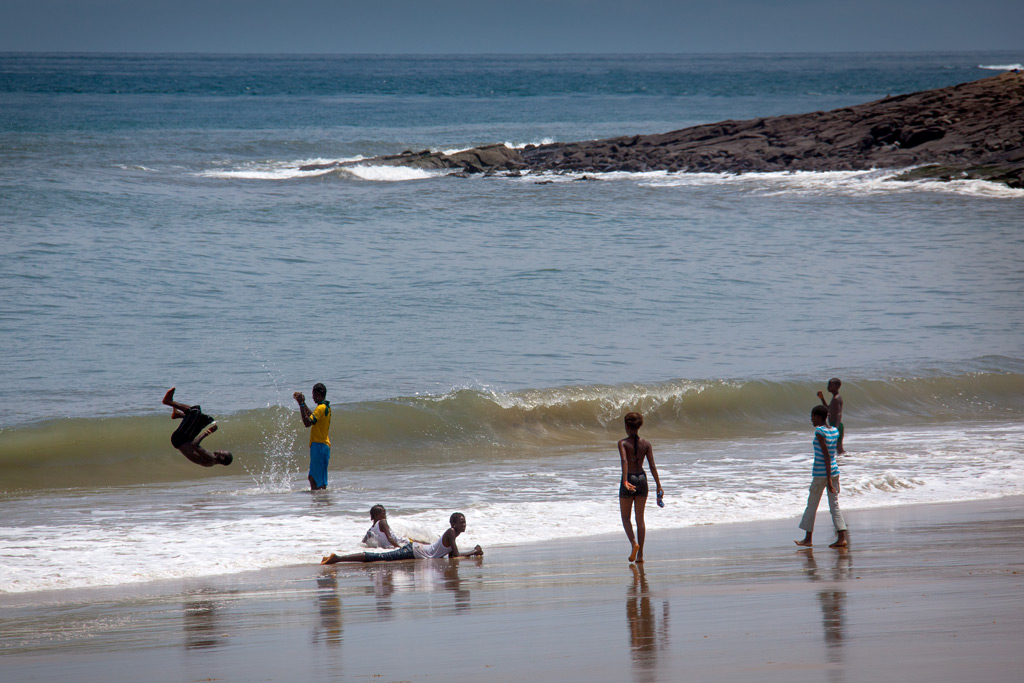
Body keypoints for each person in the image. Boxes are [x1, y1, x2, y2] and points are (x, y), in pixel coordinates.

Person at [321, 512, 483, 564]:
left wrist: (472, 553)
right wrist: (474, 552)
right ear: (452, 523)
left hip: (416, 550)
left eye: (465, 522)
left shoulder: (452, 534)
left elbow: (449, 555)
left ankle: (338, 558)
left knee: (380, 558)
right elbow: (455, 556)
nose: (464, 525)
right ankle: (338, 558)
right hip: (414, 551)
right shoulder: (451, 532)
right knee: (379, 558)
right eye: (460, 522)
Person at [795, 405, 849, 549]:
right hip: (834, 471)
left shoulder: (819, 432)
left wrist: (829, 480)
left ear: (818, 417)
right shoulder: (834, 431)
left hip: (822, 474)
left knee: (812, 505)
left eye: (812, 417)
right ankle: (842, 537)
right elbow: (831, 454)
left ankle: (808, 539)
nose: (811, 420)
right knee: (835, 506)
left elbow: (825, 456)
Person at [618, 411, 663, 563]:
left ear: (626, 426)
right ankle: (641, 555)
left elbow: (624, 461)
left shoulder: (623, 443)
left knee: (625, 517)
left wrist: (625, 481)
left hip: (629, 478)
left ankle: (633, 543)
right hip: (642, 479)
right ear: (639, 426)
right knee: (640, 520)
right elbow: (652, 465)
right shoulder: (646, 444)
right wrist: (658, 485)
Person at [162, 387, 232, 467]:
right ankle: (178, 415)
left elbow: (195, 444)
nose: (221, 450)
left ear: (222, 457)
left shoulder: (211, 459)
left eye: (222, 451)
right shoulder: (211, 461)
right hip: (185, 440)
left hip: (180, 439)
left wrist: (208, 432)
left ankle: (168, 401)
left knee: (195, 411)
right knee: (205, 419)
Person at [294, 383, 331, 490]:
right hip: (319, 446)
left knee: (318, 481)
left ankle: (322, 503)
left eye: (313, 394)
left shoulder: (321, 408)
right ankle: (318, 502)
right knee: (313, 478)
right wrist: (303, 403)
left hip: (320, 446)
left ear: (318, 394)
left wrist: (301, 405)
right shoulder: (324, 407)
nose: (313, 397)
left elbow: (307, 423)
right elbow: (312, 417)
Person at [361, 504, 429, 548]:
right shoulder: (382, 522)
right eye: (383, 513)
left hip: (390, 546)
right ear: (376, 515)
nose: (385, 515)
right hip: (402, 543)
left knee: (418, 541)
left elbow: (363, 543)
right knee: (424, 544)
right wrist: (399, 548)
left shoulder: (371, 530)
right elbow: (389, 538)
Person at [817, 377, 846, 454]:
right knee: (838, 447)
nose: (828, 386)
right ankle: (843, 461)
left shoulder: (836, 398)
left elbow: (839, 413)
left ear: (836, 386)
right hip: (835, 425)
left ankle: (844, 461)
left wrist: (836, 427)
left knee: (839, 447)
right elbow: (828, 409)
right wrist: (822, 398)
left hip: (836, 425)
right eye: (828, 384)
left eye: (830, 385)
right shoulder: (834, 398)